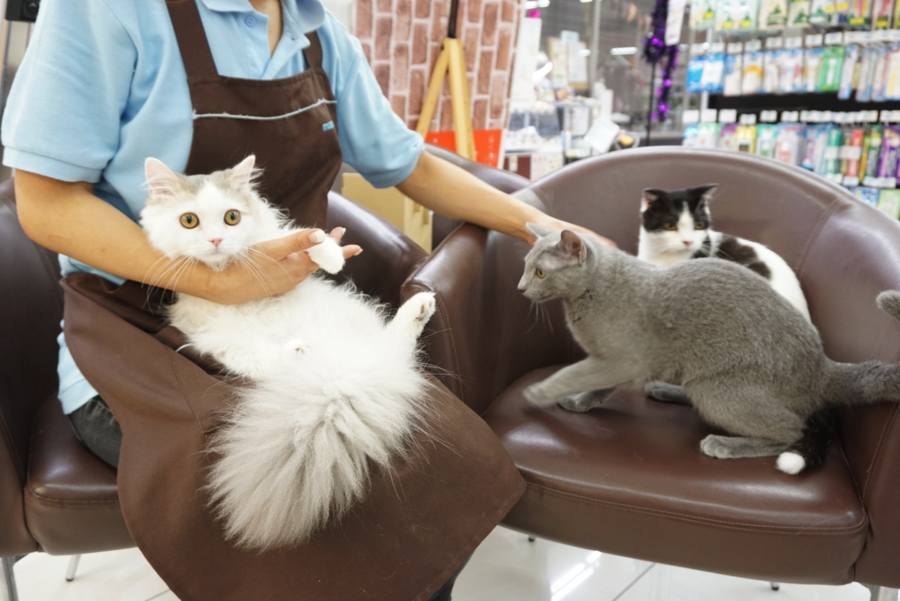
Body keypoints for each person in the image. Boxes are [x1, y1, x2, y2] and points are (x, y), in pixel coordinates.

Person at [3, 0, 612, 598]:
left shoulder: (321, 35)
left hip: (287, 317)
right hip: (138, 342)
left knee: (432, 454)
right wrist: (217, 282)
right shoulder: (105, 10)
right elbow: (46, 202)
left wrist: (552, 233)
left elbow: (411, 166)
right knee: (339, 493)